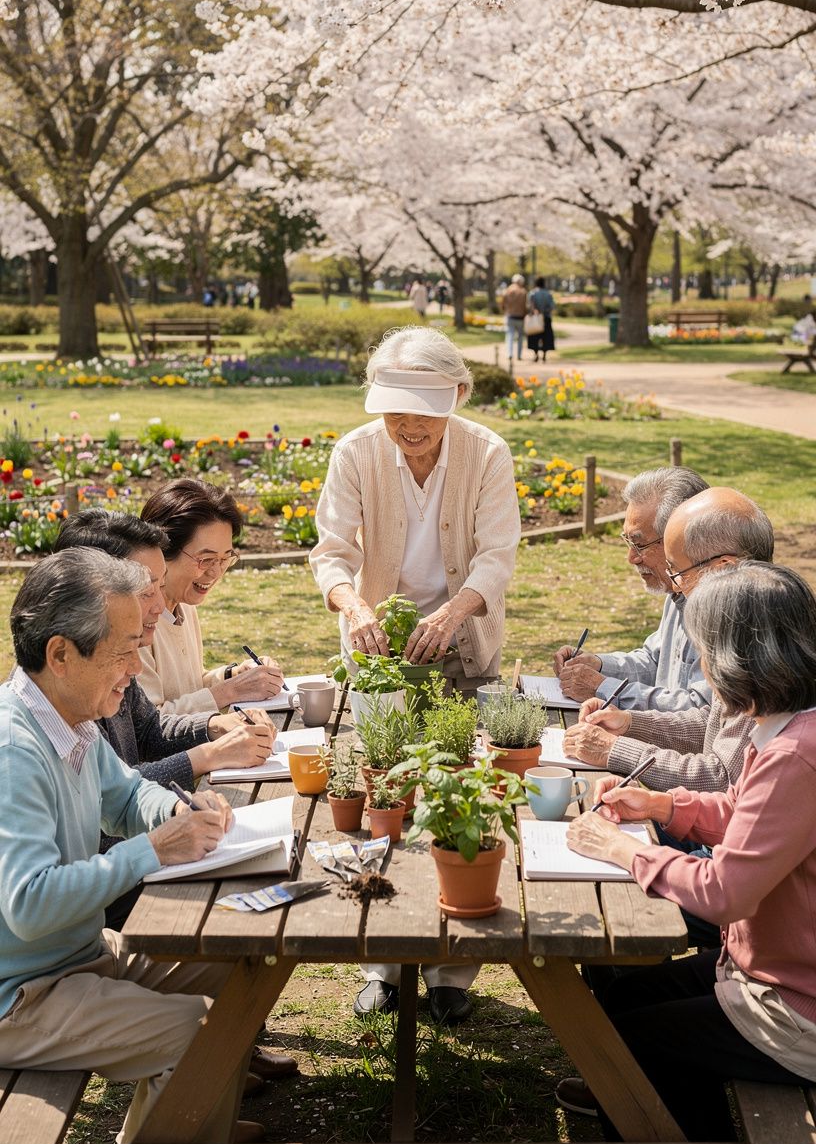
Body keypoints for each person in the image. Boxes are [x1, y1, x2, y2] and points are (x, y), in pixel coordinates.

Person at [0, 548, 248, 1144]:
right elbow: (28, 905)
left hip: (75, 958)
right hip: (21, 995)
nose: (137, 668)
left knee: (237, 975)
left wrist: (177, 811)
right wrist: (151, 852)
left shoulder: (68, 717)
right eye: (123, 652)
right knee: (200, 1036)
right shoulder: (14, 751)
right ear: (60, 653)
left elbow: (124, 794)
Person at [564, 561, 816, 1144]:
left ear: (733, 657)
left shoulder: (795, 754)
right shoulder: (792, 729)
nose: (700, 665)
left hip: (796, 1004)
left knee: (628, 1046)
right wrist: (661, 805)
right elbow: (742, 810)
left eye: (704, 649)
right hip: (774, 971)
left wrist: (623, 850)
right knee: (621, 1005)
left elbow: (725, 892)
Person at [310, 326, 520, 1023]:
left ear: (457, 394)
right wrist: (354, 606)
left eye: (423, 411)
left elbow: (497, 553)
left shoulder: (486, 452)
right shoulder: (356, 452)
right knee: (385, 799)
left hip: (465, 640)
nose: (407, 426)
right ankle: (382, 965)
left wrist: (455, 612)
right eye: (394, 411)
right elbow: (332, 551)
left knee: (459, 796)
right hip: (379, 646)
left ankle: (451, 972)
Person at [55, 511, 278, 916]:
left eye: (159, 586)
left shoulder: (110, 662)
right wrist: (208, 757)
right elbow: (46, 886)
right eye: (146, 590)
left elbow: (134, 764)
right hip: (109, 900)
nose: (161, 605)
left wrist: (211, 729)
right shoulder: (52, 711)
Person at [562, 487, 774, 787]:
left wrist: (615, 750)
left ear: (724, 568)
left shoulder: (762, 646)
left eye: (678, 573)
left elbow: (721, 779)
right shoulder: (747, 622)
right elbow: (711, 724)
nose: (675, 587)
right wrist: (630, 723)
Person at [553, 467, 711, 709]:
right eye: (627, 541)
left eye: (639, 544)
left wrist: (602, 688)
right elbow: (654, 662)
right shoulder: (677, 585)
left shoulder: (724, 608)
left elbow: (699, 710)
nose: (631, 558)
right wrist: (598, 665)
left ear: (679, 538)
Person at [138, 479, 284, 715]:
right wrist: (231, 691)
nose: (215, 573)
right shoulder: (137, 620)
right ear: (163, 551)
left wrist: (234, 675)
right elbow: (149, 722)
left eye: (225, 559)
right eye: (205, 560)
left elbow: (190, 686)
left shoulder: (184, 606)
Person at [526, 277, 555, 362]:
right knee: (546, 337)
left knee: (534, 337)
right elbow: (552, 306)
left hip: (535, 318)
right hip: (546, 318)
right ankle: (544, 355)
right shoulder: (548, 294)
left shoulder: (532, 293)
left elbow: (529, 306)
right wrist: (545, 311)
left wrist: (535, 311)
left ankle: (536, 354)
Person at [500, 272, 527, 361]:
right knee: (520, 337)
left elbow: (503, 303)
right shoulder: (523, 291)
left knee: (510, 335)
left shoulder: (508, 290)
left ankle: (509, 353)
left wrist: (505, 310)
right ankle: (519, 355)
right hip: (520, 317)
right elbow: (525, 305)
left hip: (510, 315)